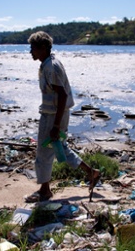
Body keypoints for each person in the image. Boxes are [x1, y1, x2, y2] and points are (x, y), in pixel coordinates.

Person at [25, 31, 101, 203]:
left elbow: (63, 95)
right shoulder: (47, 64)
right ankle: (91, 172)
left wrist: (56, 125)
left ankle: (44, 191)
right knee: (60, 147)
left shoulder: (52, 67)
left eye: (33, 48)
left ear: (43, 48)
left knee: (43, 154)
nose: (31, 52)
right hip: (53, 113)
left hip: (53, 116)